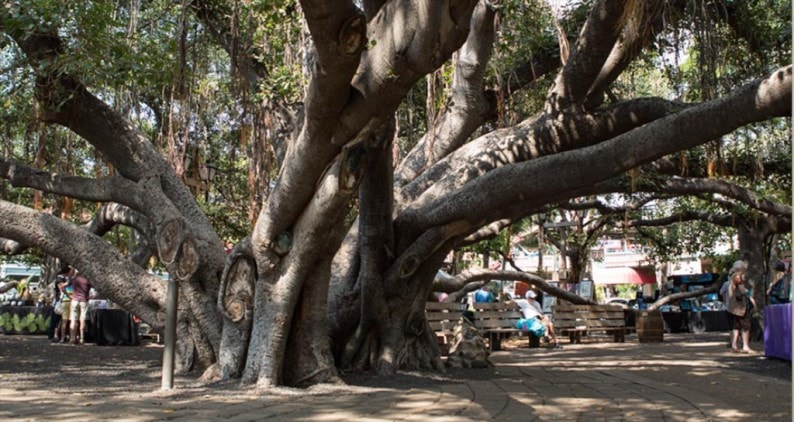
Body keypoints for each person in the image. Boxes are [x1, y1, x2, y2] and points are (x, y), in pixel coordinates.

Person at [726, 260, 756, 353]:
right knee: (745, 326)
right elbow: (742, 291)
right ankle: (745, 346)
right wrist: (748, 293)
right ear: (742, 269)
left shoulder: (730, 277)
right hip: (740, 306)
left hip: (732, 306)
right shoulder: (738, 277)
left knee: (735, 326)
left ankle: (734, 345)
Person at [68, 267, 92, 345]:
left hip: (74, 300)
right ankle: (82, 338)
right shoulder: (88, 280)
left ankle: (72, 338)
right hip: (84, 300)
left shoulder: (74, 279)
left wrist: (69, 295)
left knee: (73, 320)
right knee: (82, 320)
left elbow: (63, 286)